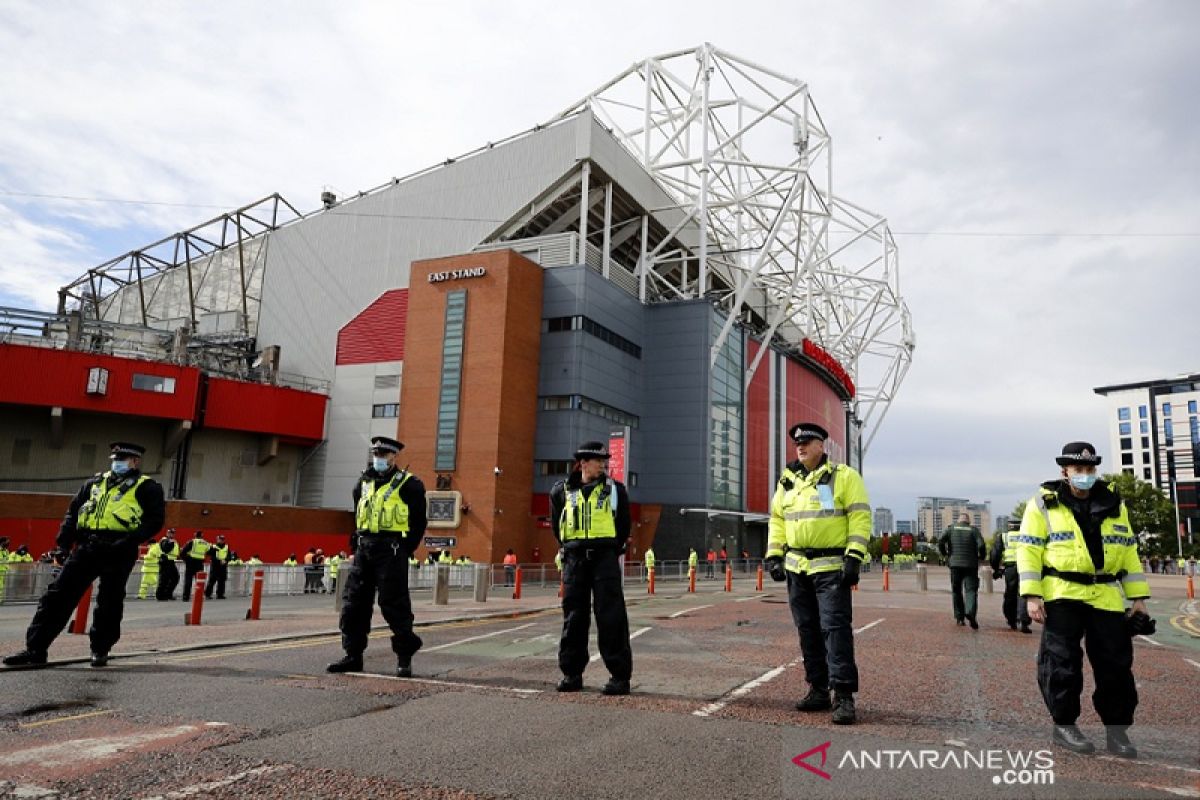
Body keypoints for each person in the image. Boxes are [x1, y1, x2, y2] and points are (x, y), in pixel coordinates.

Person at [1015, 441, 1151, 758]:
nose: (1085, 475)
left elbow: (1128, 550)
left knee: (1116, 666)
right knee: (1062, 662)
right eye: (1079, 470)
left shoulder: (1114, 502)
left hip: (1104, 595)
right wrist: (1032, 595)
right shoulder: (1044, 503)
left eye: (1090, 469)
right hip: (1061, 592)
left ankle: (1117, 733)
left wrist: (1138, 598)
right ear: (1065, 471)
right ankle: (1064, 725)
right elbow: (1029, 548)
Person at [3, 442, 165, 668]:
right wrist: (63, 545)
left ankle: (100, 649)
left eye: (123, 459)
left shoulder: (147, 487)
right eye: (115, 458)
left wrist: (129, 540)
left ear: (135, 461)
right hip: (88, 546)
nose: (117, 462)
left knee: (109, 602)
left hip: (120, 549)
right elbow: (72, 514)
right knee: (57, 597)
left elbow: (154, 521)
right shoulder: (94, 483)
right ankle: (35, 650)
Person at [765, 422, 870, 725]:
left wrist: (854, 557)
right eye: (798, 443)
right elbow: (777, 520)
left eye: (808, 442)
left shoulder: (842, 477)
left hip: (830, 569)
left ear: (822, 445)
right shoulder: (788, 480)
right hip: (797, 568)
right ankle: (818, 689)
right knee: (807, 630)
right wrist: (774, 554)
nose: (801, 446)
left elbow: (860, 517)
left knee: (835, 630)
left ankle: (844, 696)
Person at [327, 436, 426, 677]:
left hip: (391, 551)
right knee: (353, 605)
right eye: (376, 454)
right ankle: (353, 655)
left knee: (394, 605)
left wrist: (404, 549)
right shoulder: (363, 482)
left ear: (394, 457)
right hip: (364, 549)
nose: (379, 458)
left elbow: (419, 522)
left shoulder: (410, 484)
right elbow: (357, 515)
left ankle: (404, 658)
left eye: (384, 455)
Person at [551, 441, 633, 695]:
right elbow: (557, 525)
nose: (603, 465)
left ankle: (619, 677)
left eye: (603, 461)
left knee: (611, 615)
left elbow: (624, 526)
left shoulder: (615, 490)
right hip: (574, 558)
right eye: (598, 461)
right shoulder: (560, 491)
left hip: (604, 557)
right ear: (583, 463)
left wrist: (611, 549)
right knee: (574, 616)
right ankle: (571, 674)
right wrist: (570, 548)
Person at [939, 512, 986, 629]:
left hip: (954, 564)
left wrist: (945, 555)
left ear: (958, 520)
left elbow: (940, 541)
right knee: (971, 590)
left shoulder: (951, 529)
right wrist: (981, 557)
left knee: (956, 591)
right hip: (971, 564)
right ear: (968, 521)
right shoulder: (973, 530)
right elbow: (981, 545)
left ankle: (959, 618)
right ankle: (970, 612)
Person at [990, 518, 1032, 633]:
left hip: (1011, 569)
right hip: (1026, 567)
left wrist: (996, 569)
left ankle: (1011, 620)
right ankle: (1024, 621)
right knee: (1024, 593)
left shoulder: (1004, 537)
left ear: (1009, 526)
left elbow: (995, 554)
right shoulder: (1027, 536)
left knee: (1010, 593)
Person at [179, 531, 211, 601]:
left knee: (188, 580)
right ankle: (199, 596)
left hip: (191, 562)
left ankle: (186, 597)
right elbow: (210, 551)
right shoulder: (206, 543)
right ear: (202, 536)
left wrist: (186, 559)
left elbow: (182, 552)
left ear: (195, 535)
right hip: (200, 563)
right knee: (199, 581)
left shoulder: (192, 542)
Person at [205, 534, 230, 599]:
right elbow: (208, 554)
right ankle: (207, 594)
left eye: (222, 539)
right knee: (212, 580)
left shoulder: (226, 547)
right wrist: (213, 550)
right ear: (217, 539)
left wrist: (226, 560)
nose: (221, 541)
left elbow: (229, 556)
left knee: (222, 581)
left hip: (223, 566)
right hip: (215, 566)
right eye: (220, 539)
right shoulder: (213, 546)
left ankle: (220, 594)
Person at [157, 529, 180, 600]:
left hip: (171, 561)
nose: (172, 534)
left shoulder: (172, 541)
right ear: (167, 533)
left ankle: (168, 594)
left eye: (173, 533)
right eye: (170, 533)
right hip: (165, 561)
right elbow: (166, 549)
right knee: (164, 579)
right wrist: (171, 543)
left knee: (175, 578)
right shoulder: (165, 540)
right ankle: (160, 596)